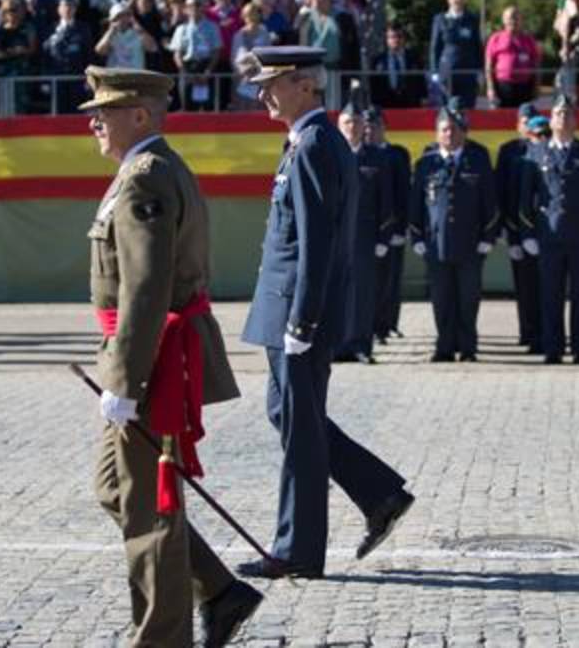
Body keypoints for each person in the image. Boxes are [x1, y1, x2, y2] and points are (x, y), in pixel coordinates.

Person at [80, 66, 262, 646]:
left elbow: (147, 286)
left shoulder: (145, 178)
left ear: (140, 115)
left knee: (147, 507)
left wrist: (127, 382)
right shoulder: (147, 170)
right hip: (142, 352)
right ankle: (220, 589)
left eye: (104, 113)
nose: (94, 124)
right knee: (116, 489)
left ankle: (161, 638)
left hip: (150, 359)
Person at [239, 46, 414, 579]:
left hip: (296, 312)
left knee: (300, 426)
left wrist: (302, 320)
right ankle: (379, 492)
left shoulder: (315, 144)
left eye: (274, 82)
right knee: (293, 418)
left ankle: (297, 548)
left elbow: (318, 243)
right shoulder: (307, 141)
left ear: (306, 85)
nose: (263, 93)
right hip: (287, 308)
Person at [519, 95, 579, 364]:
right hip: (549, 236)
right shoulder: (536, 153)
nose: (563, 118)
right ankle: (553, 349)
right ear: (551, 119)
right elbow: (526, 199)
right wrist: (527, 234)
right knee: (551, 296)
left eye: (568, 113)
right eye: (558, 113)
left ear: (575, 119)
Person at [408, 98, 498, 362]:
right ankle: (444, 347)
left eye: (454, 129)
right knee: (441, 299)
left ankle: (468, 347)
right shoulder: (426, 163)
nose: (449, 134)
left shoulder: (477, 160)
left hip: (470, 244)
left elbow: (490, 203)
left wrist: (488, 237)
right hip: (437, 245)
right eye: (444, 129)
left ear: (464, 132)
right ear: (437, 133)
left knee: (469, 299)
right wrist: (417, 237)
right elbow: (416, 204)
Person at [333, 101, 393, 364]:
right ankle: (337, 346)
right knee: (336, 293)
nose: (353, 127)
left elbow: (386, 201)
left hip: (365, 237)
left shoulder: (376, 157)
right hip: (336, 239)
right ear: (339, 126)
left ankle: (361, 346)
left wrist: (383, 236)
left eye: (357, 122)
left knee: (363, 294)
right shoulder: (331, 153)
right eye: (347, 122)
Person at [494, 103, 543, 353]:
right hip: (517, 229)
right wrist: (509, 232)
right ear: (518, 125)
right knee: (524, 286)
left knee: (546, 286)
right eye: (524, 121)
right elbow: (502, 193)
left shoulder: (547, 148)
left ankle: (547, 333)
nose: (529, 126)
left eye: (533, 121)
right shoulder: (508, 151)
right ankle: (528, 332)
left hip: (545, 231)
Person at [365, 107, 412, 343]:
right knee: (371, 282)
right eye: (367, 127)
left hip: (392, 228)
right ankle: (373, 326)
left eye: (375, 126)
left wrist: (401, 227)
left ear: (384, 128)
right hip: (368, 230)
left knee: (391, 280)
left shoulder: (396, 154)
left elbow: (404, 193)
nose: (370, 131)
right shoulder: (362, 154)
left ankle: (388, 323)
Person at [429, 0, 483, 108]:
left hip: (468, 73)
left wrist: (480, 70)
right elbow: (435, 47)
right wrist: (434, 71)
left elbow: (477, 46)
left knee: (468, 109)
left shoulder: (472, 19)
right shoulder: (440, 19)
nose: (457, 0)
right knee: (446, 109)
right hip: (447, 72)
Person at [484, 5, 541, 108]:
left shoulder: (529, 40)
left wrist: (536, 86)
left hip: (525, 86)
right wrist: (490, 88)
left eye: (516, 17)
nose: (513, 20)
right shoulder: (495, 38)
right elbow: (489, 66)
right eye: (510, 18)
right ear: (504, 20)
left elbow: (536, 65)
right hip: (503, 86)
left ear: (521, 20)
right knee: (503, 119)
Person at [370, 24, 425, 109]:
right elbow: (373, 84)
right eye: (392, 37)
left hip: (410, 102)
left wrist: (424, 97)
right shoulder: (378, 60)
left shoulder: (414, 57)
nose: (396, 40)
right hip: (386, 102)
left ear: (404, 38)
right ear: (387, 39)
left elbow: (421, 79)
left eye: (399, 36)